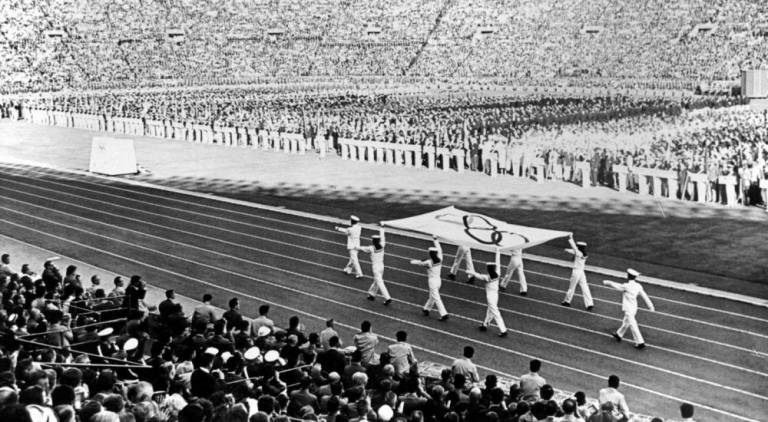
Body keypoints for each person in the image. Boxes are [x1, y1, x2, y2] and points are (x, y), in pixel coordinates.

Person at [603, 269, 655, 349]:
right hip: (634, 308)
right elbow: (645, 296)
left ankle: (640, 342)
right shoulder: (638, 286)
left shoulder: (626, 286)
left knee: (633, 324)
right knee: (626, 322)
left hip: (628, 309)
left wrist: (608, 282)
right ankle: (619, 334)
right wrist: (651, 306)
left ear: (628, 276)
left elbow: (617, 286)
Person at [467, 248, 508, 337]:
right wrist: (498, 252)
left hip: (490, 297)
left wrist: (471, 272)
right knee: (490, 311)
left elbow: (478, 276)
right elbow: (498, 263)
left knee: (495, 312)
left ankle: (503, 330)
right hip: (495, 295)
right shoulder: (497, 273)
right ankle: (485, 324)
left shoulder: (487, 277)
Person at [410, 235, 449, 321]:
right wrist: (435, 240)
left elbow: (420, 263)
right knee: (432, 296)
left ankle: (444, 313)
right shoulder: (440, 259)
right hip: (439, 280)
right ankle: (426, 309)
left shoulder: (429, 262)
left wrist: (413, 261)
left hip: (432, 281)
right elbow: (440, 250)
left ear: (430, 254)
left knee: (436, 297)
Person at [356, 223, 391, 304]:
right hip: (382, 266)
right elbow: (383, 237)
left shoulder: (371, 248)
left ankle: (387, 298)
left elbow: (362, 248)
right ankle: (372, 294)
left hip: (376, 267)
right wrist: (382, 228)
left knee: (379, 282)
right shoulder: (382, 245)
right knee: (376, 281)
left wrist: (355, 247)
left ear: (373, 241)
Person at [562, 235, 594, 311]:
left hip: (576, 272)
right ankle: (589, 303)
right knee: (585, 287)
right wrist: (567, 250)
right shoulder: (583, 254)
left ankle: (567, 301)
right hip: (582, 272)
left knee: (572, 287)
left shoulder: (579, 253)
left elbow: (574, 249)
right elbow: (574, 251)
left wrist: (570, 238)